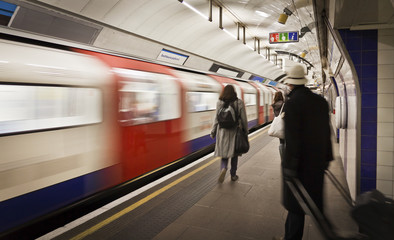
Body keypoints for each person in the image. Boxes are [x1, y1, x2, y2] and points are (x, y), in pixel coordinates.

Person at [274, 65, 333, 240]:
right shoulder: (321, 102)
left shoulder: (293, 104)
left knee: (297, 207)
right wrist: (327, 158)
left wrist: (290, 167)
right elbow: (326, 132)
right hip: (317, 164)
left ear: (290, 84)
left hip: (299, 166)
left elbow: (293, 140)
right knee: (310, 205)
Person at [211, 84, 248, 183]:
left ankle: (223, 168)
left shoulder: (219, 102)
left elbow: (216, 119)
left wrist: (213, 132)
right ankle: (233, 175)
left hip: (222, 132)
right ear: (234, 92)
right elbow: (244, 118)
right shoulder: (239, 102)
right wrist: (246, 130)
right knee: (234, 155)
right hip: (234, 132)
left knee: (224, 155)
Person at [271, 91, 286, 162]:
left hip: (278, 125)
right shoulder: (283, 104)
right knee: (286, 142)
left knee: (281, 142)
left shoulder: (274, 105)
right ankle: (286, 157)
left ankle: (282, 158)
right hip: (284, 124)